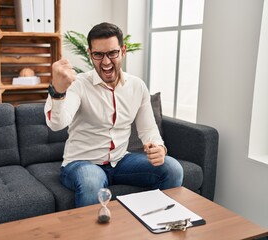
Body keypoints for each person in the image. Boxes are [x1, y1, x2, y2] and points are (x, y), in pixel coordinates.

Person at [44, 22, 183, 208]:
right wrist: (58, 92)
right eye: (98, 55)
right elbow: (56, 124)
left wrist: (159, 147)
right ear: (90, 54)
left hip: (121, 160)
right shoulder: (78, 85)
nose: (106, 62)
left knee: (172, 169)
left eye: (112, 53)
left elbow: (148, 128)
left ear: (123, 51)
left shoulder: (137, 86)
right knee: (92, 181)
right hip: (82, 163)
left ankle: (155, 224)